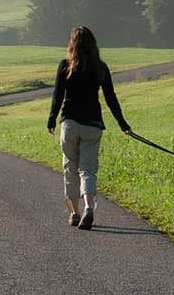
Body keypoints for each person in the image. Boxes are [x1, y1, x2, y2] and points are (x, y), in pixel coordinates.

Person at [47, 26, 132, 230]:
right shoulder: (100, 67)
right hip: (92, 125)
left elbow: (58, 96)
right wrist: (122, 123)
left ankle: (74, 213)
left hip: (70, 124)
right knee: (88, 170)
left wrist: (51, 119)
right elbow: (111, 98)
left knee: (70, 167)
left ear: (72, 44)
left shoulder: (65, 65)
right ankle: (88, 208)